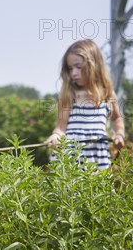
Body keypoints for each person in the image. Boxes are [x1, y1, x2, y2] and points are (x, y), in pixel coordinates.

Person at [45, 39, 125, 169]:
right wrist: (56, 136)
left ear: (95, 65)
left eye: (78, 67)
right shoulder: (69, 94)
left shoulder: (108, 95)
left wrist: (119, 134)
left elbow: (116, 119)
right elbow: (60, 127)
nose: (73, 73)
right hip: (70, 159)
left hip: (97, 159)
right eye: (70, 68)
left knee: (98, 188)